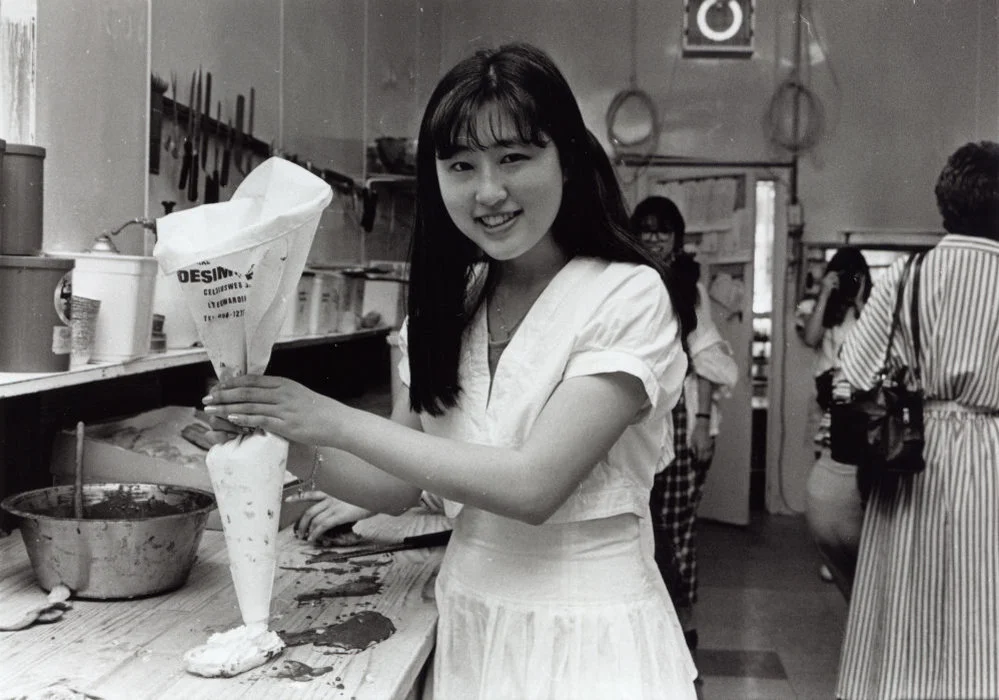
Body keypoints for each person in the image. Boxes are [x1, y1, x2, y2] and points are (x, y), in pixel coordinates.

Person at [204, 42, 700, 698]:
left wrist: (329, 419)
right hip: (469, 622)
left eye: (514, 158)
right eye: (460, 165)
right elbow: (396, 484)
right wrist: (281, 440)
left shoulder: (627, 294)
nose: (487, 191)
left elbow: (533, 485)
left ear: (567, 159)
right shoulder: (452, 301)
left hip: (591, 635)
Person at [835, 140, 999, 700]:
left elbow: (851, 375)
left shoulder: (908, 276)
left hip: (914, 457)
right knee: (983, 605)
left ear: (946, 205)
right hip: (993, 458)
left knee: (908, 603)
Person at [630, 196, 738, 655]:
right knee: (636, 525)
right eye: (647, 229)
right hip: (636, 417)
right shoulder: (628, 279)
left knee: (674, 532)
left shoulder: (688, 288)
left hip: (680, 416)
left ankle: (681, 632)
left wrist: (701, 423)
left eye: (664, 230)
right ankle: (647, 631)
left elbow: (708, 358)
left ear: (677, 238)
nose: (654, 237)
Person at [794, 246, 871, 600]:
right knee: (823, 468)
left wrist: (859, 301)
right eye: (844, 275)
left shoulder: (871, 311)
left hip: (859, 403)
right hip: (825, 401)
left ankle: (852, 541)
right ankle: (830, 545)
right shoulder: (819, 310)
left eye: (857, 275)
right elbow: (810, 338)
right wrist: (827, 292)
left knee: (855, 476)